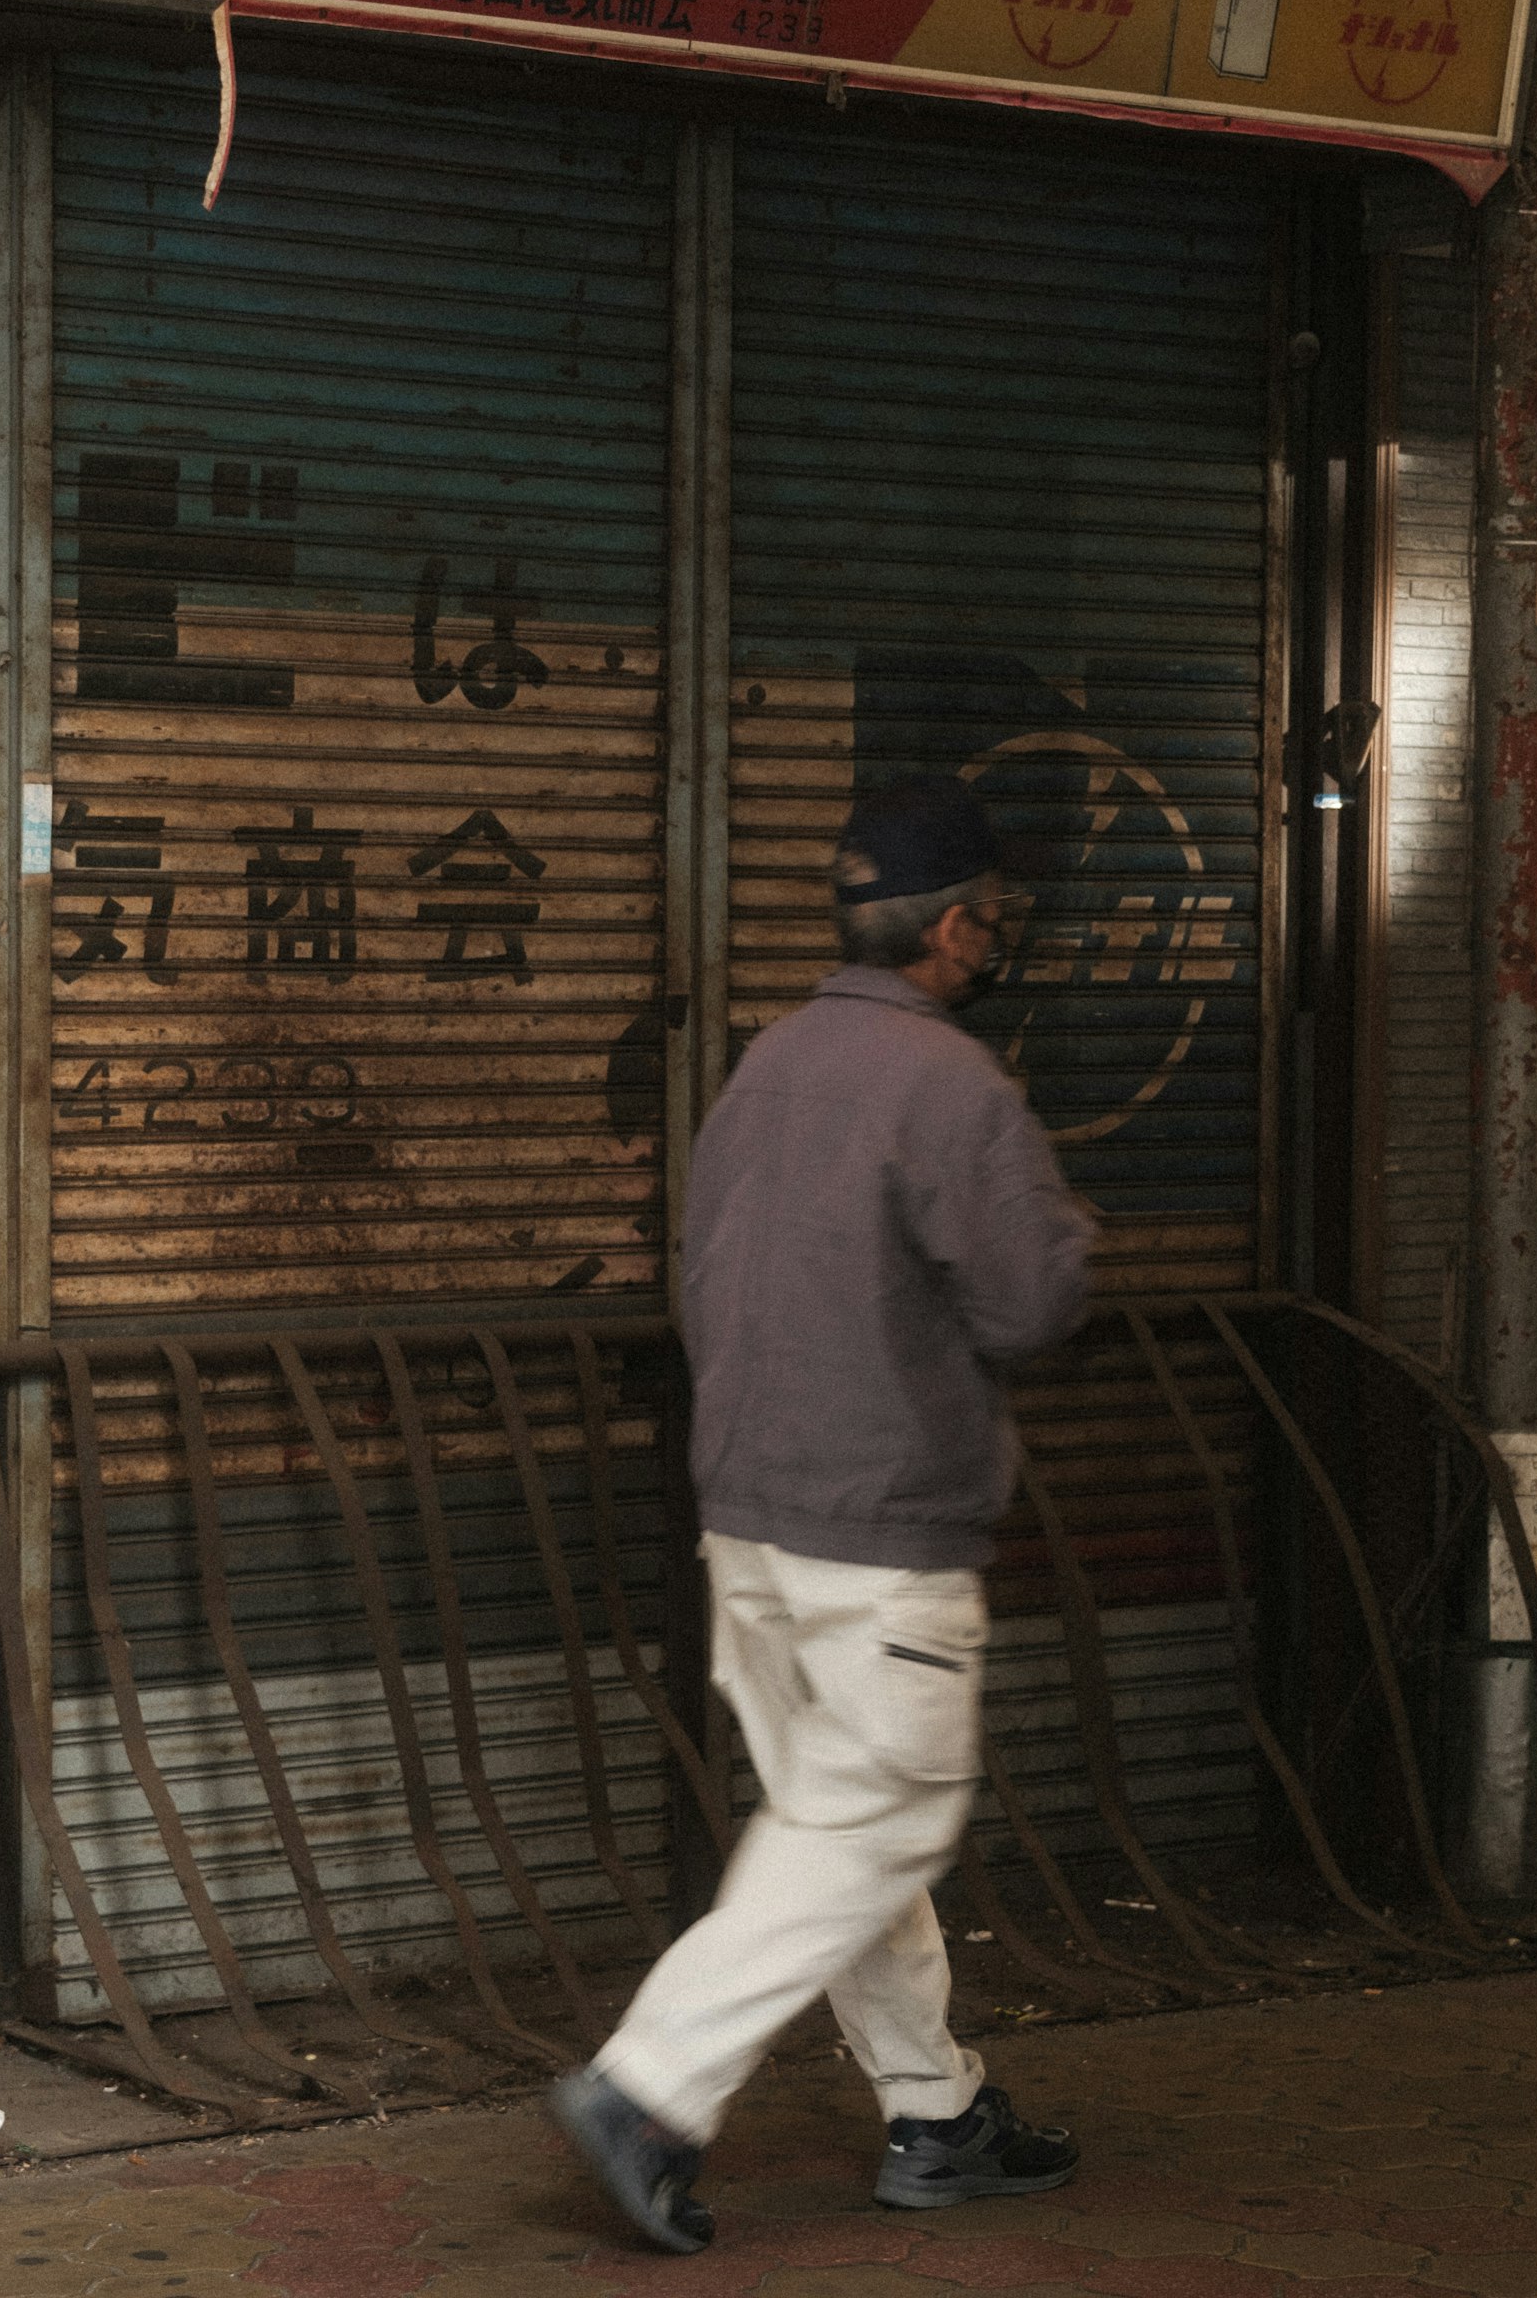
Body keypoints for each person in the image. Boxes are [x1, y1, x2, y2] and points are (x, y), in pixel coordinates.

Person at [550, 773, 1098, 2254]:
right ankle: (650, 2086)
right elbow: (1036, 1301)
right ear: (958, 929)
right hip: (877, 1530)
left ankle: (936, 2114)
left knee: (834, 1821)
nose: (1000, 940)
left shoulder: (768, 1066)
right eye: (995, 915)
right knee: (881, 1813)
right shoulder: (955, 1089)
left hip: (750, 1523)